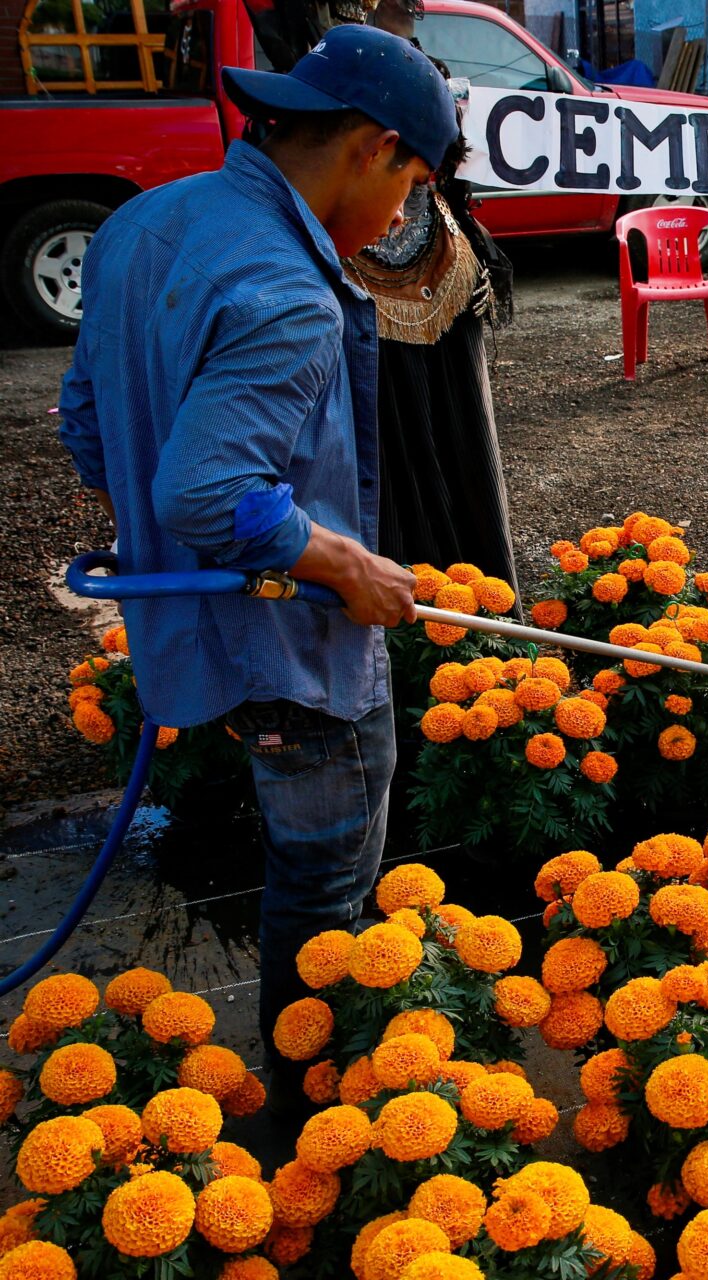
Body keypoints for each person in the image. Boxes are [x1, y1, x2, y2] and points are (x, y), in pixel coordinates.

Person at [55, 24, 457, 1114]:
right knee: (323, 899)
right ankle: (314, 1117)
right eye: (413, 187)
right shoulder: (286, 288)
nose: (402, 220)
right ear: (372, 149)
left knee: (298, 860)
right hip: (297, 647)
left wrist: (162, 537)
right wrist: (342, 565)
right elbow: (207, 492)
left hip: (196, 622)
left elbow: (89, 423)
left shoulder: (143, 222)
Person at [354, 0, 522, 594]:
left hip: (448, 274)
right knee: (382, 466)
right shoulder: (335, 66)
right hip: (357, 291)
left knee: (464, 452)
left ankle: (480, 617)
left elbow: (444, 167)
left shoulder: (427, 71)